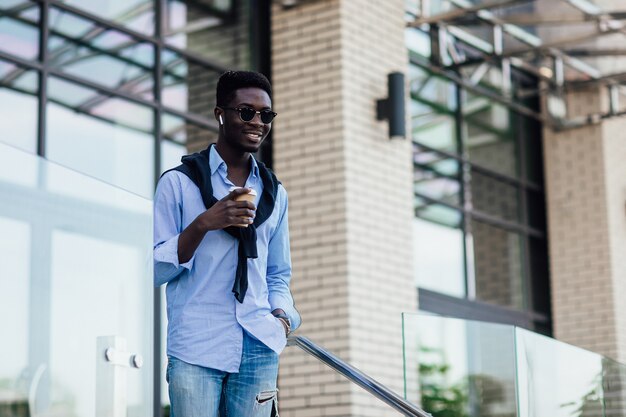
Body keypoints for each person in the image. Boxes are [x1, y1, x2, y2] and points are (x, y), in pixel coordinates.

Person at [153, 70, 300, 417]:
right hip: (196, 346)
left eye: (266, 115)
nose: (258, 122)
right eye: (246, 112)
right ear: (220, 113)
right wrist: (205, 223)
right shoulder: (178, 184)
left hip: (260, 344)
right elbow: (153, 270)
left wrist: (282, 317)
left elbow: (277, 272)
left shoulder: (275, 194)